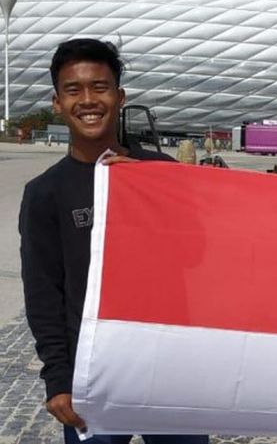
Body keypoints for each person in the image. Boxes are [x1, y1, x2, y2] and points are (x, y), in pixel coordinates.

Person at [19, 38, 209, 444]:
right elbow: (43, 293)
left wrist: (147, 193)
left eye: (100, 87)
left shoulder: (160, 172)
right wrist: (58, 380)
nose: (88, 100)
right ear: (57, 102)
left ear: (119, 96)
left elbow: (196, 255)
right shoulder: (45, 193)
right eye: (74, 90)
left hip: (168, 367)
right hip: (93, 376)